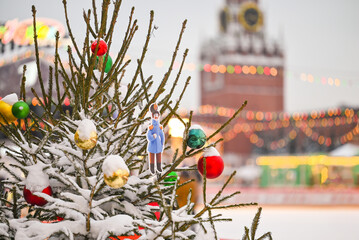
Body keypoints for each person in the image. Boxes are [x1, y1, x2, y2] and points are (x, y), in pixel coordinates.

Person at [146, 103, 165, 174]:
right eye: (155, 115)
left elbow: (162, 135)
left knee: (159, 155)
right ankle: (152, 168)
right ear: (152, 116)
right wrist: (152, 137)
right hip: (153, 144)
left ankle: (159, 167)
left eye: (157, 115)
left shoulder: (159, 126)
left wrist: (162, 143)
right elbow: (148, 135)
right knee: (152, 156)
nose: (156, 117)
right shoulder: (151, 126)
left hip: (158, 144)